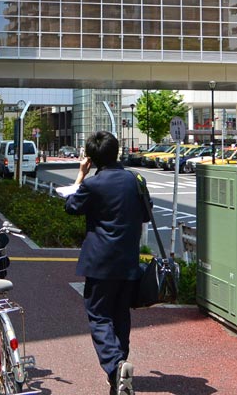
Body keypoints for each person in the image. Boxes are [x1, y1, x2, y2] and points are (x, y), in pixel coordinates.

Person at [64, 131, 151, 395]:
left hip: (100, 261)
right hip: (128, 260)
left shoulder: (93, 184)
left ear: (90, 158)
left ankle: (116, 366)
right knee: (120, 315)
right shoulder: (135, 180)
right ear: (117, 151)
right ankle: (119, 373)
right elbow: (146, 215)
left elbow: (71, 207)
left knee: (99, 315)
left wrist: (81, 174)